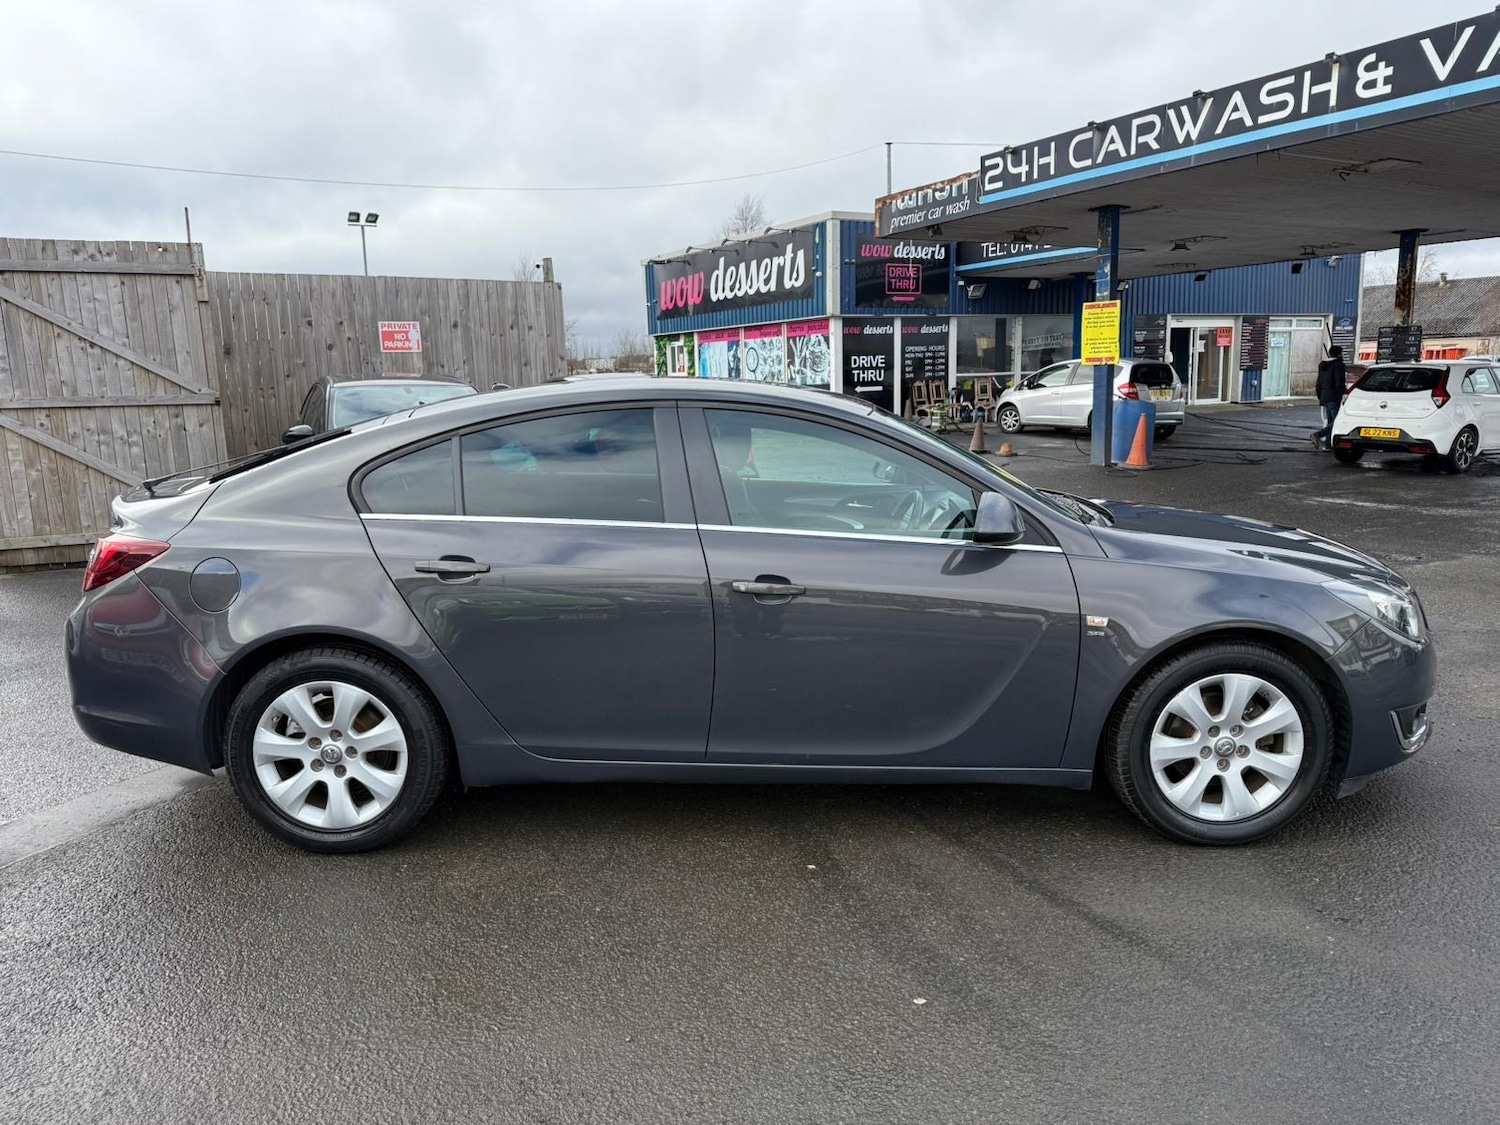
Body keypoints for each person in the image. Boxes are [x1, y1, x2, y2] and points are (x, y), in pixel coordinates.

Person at [1310, 345, 1347, 449]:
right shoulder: (1339, 365)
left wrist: (1320, 396)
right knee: (1338, 422)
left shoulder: (1323, 365)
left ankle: (1328, 444)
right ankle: (1319, 434)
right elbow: (1339, 383)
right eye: (1341, 353)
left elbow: (1319, 382)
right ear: (1339, 354)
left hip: (1325, 396)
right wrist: (1345, 395)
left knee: (1331, 421)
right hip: (1334, 397)